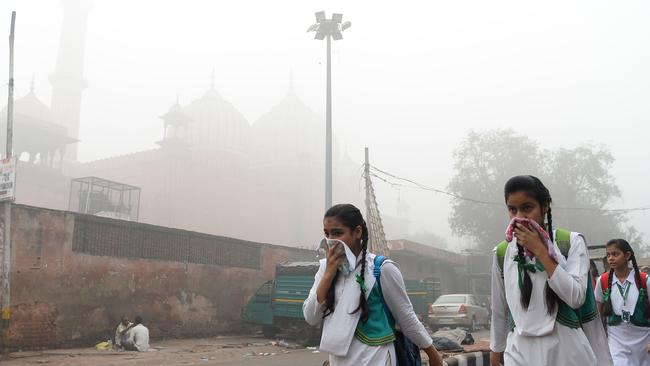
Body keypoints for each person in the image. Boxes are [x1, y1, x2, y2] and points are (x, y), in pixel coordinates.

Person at [490, 175, 612, 366]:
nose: (519, 217)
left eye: (527, 208)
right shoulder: (502, 252)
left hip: (567, 353)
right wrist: (496, 353)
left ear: (545, 205)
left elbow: (576, 297)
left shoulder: (570, 242)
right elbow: (499, 311)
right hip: (519, 354)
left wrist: (540, 250)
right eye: (512, 210)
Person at [303, 204, 443, 366]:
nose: (331, 241)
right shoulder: (324, 269)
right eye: (327, 234)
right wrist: (328, 274)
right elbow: (311, 316)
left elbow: (406, 317)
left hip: (377, 357)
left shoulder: (382, 268)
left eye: (338, 233)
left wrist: (433, 354)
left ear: (357, 232)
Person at [595, 239, 650, 366]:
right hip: (616, 342)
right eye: (608, 255)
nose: (611, 258)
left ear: (627, 255)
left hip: (643, 342)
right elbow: (597, 312)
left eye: (615, 254)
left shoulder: (644, 280)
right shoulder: (602, 281)